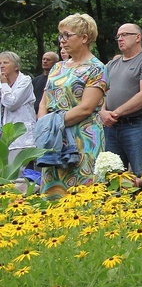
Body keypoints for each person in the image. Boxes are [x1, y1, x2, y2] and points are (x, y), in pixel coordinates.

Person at [38, 14, 108, 198]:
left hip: (82, 140)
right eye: (61, 35)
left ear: (84, 38)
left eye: (67, 35)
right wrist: (45, 126)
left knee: (82, 197)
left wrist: (52, 124)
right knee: (52, 196)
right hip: (54, 140)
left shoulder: (96, 68)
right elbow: (44, 101)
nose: (62, 40)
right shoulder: (57, 68)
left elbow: (86, 108)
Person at [100, 23, 142, 179]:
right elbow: (102, 92)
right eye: (118, 36)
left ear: (138, 37)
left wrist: (115, 113)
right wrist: (102, 112)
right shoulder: (112, 64)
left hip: (137, 125)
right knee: (112, 176)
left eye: (124, 35)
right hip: (111, 127)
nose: (120, 39)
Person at [0, 51, 37, 164]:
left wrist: (5, 84)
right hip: (5, 138)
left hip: (22, 139)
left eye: (5, 62)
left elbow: (11, 103)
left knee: (20, 177)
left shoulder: (25, 81)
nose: (1, 65)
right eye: (0, 63)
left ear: (16, 66)